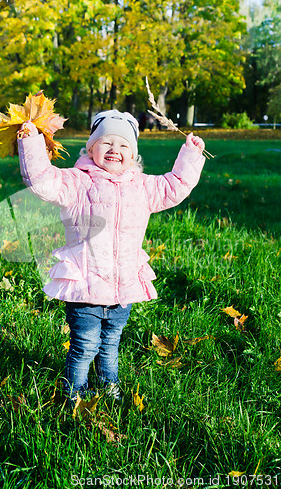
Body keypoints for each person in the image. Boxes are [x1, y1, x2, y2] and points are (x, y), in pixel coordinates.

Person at [16, 110, 205, 403]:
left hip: (122, 288)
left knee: (110, 343)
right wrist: (31, 141)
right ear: (91, 148)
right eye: (106, 143)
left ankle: (109, 385)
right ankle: (74, 394)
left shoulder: (143, 187)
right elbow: (41, 180)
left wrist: (191, 155)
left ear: (133, 155)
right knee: (85, 345)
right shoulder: (76, 183)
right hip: (85, 288)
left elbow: (176, 185)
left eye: (123, 145)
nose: (114, 150)